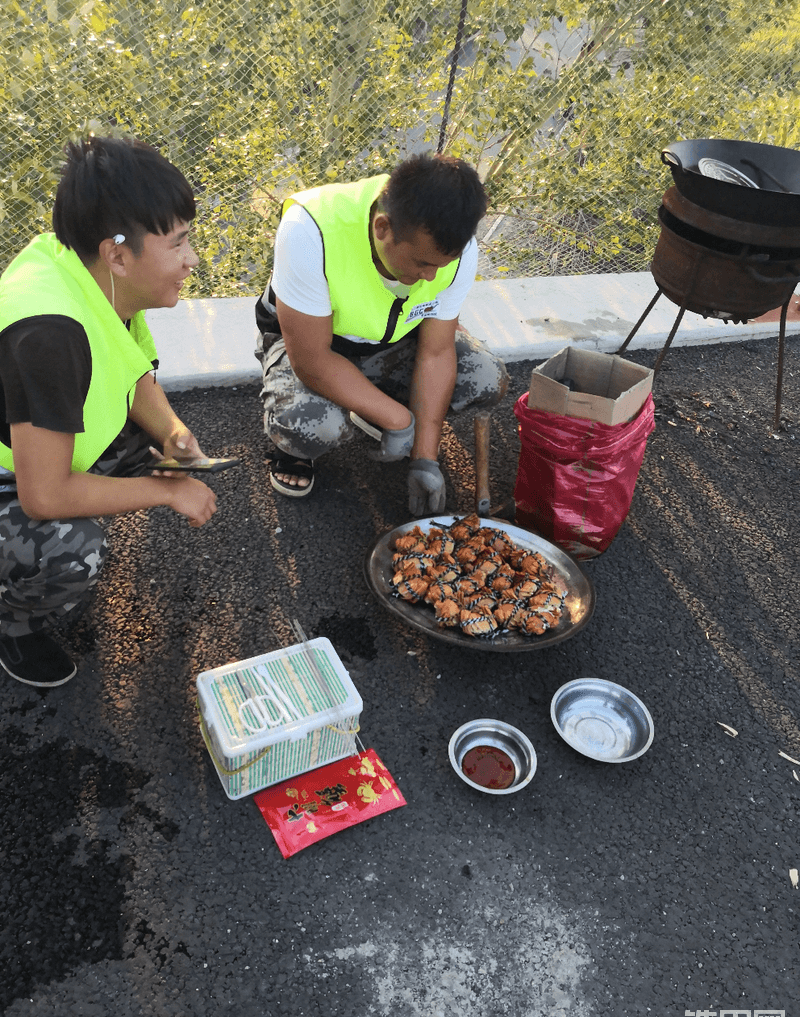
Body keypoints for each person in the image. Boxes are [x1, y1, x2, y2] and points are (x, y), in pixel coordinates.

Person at [0, 136, 218, 689]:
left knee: (142, 443)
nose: (192, 259)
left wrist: (174, 433)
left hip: (28, 443)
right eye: (179, 243)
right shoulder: (50, 333)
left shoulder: (93, 276)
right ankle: (15, 624)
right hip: (19, 477)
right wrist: (169, 490)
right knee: (71, 548)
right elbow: (43, 496)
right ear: (117, 252)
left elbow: (129, 368)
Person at [254, 153, 509, 514]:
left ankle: (371, 404)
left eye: (442, 265)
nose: (431, 277)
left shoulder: (456, 250)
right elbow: (311, 359)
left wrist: (425, 457)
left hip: (391, 343)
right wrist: (400, 419)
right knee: (311, 423)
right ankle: (295, 449)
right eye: (422, 263)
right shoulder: (309, 228)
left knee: (485, 377)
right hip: (311, 347)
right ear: (383, 228)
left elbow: (436, 352)